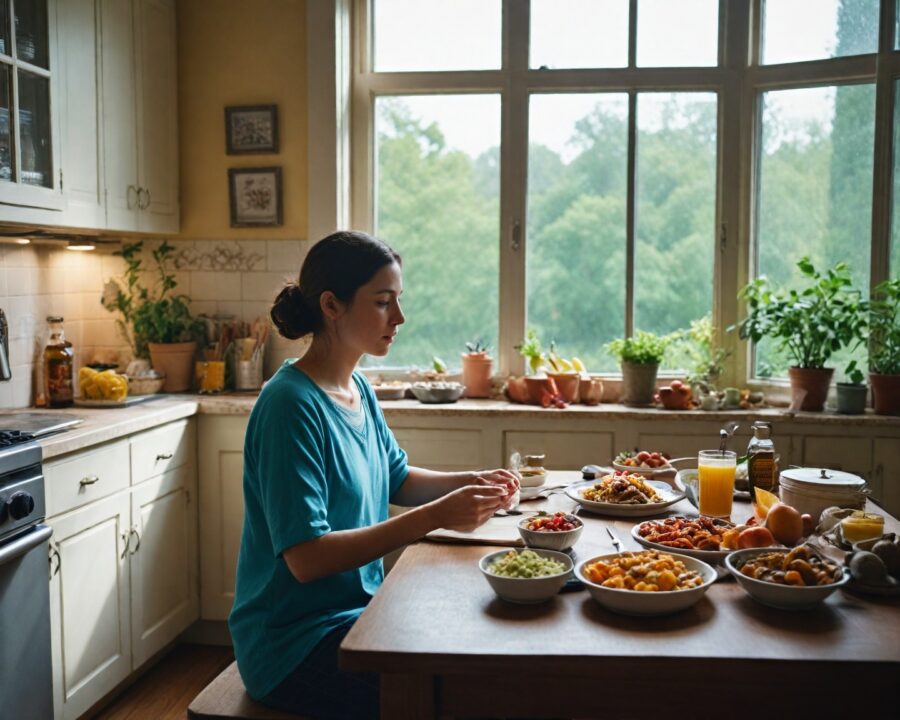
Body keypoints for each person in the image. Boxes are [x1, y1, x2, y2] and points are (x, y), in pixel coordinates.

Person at [229, 230, 519, 720]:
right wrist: (435, 517)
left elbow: (397, 478)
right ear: (331, 305)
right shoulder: (289, 406)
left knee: (482, 649)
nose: (399, 318)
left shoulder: (357, 388)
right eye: (384, 303)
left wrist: (469, 480)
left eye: (398, 301)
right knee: (460, 691)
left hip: (358, 616)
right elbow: (306, 558)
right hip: (293, 646)